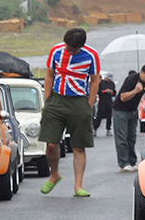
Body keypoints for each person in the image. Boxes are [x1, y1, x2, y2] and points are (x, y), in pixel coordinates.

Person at [39, 27, 100, 198]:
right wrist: (48, 99)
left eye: (73, 49)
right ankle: (55, 174)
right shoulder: (56, 51)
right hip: (56, 100)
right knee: (51, 143)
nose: (70, 51)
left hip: (79, 101)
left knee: (78, 146)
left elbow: (95, 80)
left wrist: (89, 105)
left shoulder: (91, 55)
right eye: (68, 47)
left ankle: (78, 186)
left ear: (81, 46)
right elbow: (49, 75)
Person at [112, 63, 145, 172]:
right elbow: (123, 97)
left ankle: (132, 161)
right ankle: (124, 163)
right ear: (142, 73)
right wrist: (136, 90)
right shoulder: (131, 80)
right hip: (121, 110)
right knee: (122, 138)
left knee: (132, 137)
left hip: (133, 111)